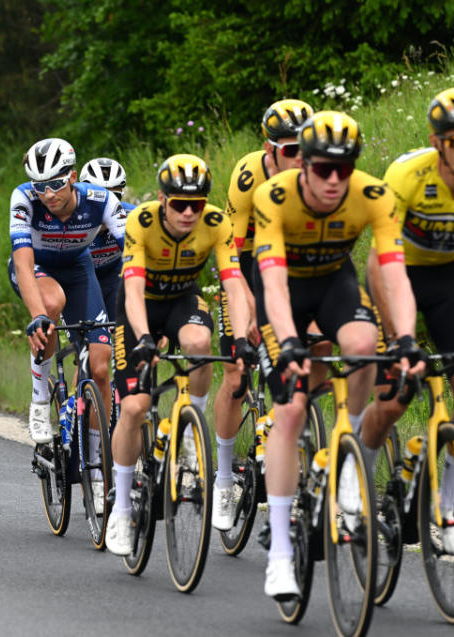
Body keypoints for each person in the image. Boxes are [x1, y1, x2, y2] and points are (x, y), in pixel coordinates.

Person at [252, 111, 422, 600]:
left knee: (365, 346)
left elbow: (393, 274)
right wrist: (287, 343)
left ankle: (351, 456)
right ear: (301, 166)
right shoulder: (274, 197)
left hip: (333, 284)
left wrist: (406, 338)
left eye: (343, 170)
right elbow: (274, 284)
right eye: (324, 169)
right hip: (285, 294)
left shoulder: (373, 195)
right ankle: (281, 552)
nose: (333, 180)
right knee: (289, 410)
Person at [105, 154, 250, 555]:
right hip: (140, 306)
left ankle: (190, 428)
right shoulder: (142, 222)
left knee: (200, 345)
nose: (189, 212)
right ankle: (119, 508)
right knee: (134, 407)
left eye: (197, 204)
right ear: (161, 199)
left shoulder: (217, 224)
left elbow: (233, 285)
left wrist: (240, 339)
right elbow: (132, 289)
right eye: (180, 204)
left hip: (183, 299)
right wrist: (144, 337)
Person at [210, 99, 315, 531]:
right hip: (247, 258)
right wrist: (248, 308)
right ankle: (221, 478)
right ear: (269, 149)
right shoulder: (249, 173)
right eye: (289, 149)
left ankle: (285, 439)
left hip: (291, 259)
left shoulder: (320, 173)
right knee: (237, 371)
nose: (300, 158)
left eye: (306, 147)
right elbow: (233, 254)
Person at [366, 87, 454, 550]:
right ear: (437, 142)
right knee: (396, 392)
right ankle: (357, 470)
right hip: (396, 271)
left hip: (449, 281)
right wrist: (401, 337)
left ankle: (449, 497)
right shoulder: (406, 174)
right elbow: (384, 261)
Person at [9, 139, 125, 446]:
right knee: (50, 303)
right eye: (40, 186)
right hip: (36, 268)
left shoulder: (101, 200)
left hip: (77, 269)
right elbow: (22, 261)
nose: (48, 195)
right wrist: (37, 316)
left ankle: (98, 463)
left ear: (72, 177)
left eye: (56, 185)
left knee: (101, 364)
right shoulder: (23, 198)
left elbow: (134, 255)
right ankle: (38, 401)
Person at [78, 157, 135, 320]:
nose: (106, 205)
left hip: (112, 275)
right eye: (98, 197)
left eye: (114, 197)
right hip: (79, 278)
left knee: (123, 329)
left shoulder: (132, 216)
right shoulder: (70, 220)